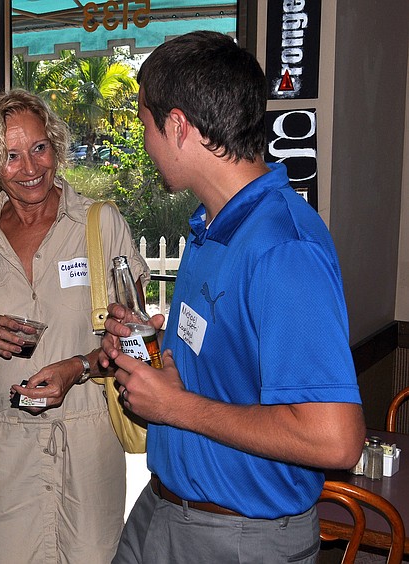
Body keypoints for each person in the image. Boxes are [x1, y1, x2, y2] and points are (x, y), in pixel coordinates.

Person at [98, 31, 366, 564]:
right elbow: (226, 359)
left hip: (239, 538)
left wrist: (175, 405)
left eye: (145, 125)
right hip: (165, 507)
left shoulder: (282, 248)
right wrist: (152, 351)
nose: (146, 142)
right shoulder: (213, 226)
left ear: (177, 126)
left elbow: (335, 440)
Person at [0, 89, 149, 563]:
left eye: (39, 147)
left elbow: (135, 336)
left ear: (55, 146)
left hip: (86, 436)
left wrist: (77, 366)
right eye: (10, 156)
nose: (30, 167)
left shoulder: (100, 225)